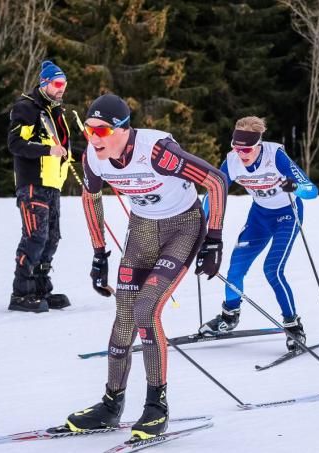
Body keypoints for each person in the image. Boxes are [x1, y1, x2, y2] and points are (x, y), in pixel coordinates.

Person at [64, 94, 227, 442]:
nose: (94, 137)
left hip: (183, 228)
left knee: (145, 309)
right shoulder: (94, 157)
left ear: (123, 129)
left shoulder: (157, 151)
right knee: (124, 315)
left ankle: (157, 406)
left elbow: (215, 181)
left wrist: (214, 239)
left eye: (103, 129)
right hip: (142, 230)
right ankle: (111, 404)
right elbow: (90, 198)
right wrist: (99, 254)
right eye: (89, 130)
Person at [198, 116, 318, 352]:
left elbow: (312, 190)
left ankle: (293, 326)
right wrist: (201, 224)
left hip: (287, 216)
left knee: (272, 270)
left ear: (258, 144)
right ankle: (229, 316)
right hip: (259, 217)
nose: (241, 154)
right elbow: (214, 193)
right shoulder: (232, 162)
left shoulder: (276, 156)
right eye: (236, 147)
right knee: (235, 268)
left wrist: (294, 187)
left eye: (247, 149)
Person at [6, 60, 73, 313]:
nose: (61, 89)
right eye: (57, 84)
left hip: (53, 183)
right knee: (36, 236)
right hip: (33, 183)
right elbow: (15, 144)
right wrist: (48, 149)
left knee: (52, 238)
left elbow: (62, 148)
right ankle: (21, 292)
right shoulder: (27, 108)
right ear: (44, 84)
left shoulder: (56, 112)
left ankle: (41, 288)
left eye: (64, 84)